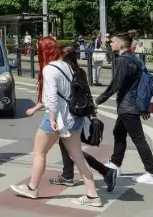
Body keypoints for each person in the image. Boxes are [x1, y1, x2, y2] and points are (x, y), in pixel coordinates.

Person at [12, 37, 103, 207]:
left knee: (39, 152)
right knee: (78, 156)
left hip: (57, 118)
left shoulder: (49, 69)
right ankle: (93, 195)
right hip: (74, 118)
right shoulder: (69, 67)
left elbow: (51, 98)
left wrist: (52, 118)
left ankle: (32, 188)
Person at [51, 45, 120, 193]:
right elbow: (87, 93)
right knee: (68, 147)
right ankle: (68, 175)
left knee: (73, 150)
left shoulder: (64, 72)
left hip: (68, 115)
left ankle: (105, 172)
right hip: (80, 114)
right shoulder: (80, 71)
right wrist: (92, 113)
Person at [96, 32, 153, 185]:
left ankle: (152, 173)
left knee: (138, 139)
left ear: (121, 45)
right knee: (118, 132)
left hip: (128, 106)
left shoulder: (123, 61)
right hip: (131, 105)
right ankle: (115, 164)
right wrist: (143, 107)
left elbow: (116, 84)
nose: (110, 44)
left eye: (112, 42)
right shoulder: (134, 59)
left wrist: (99, 100)